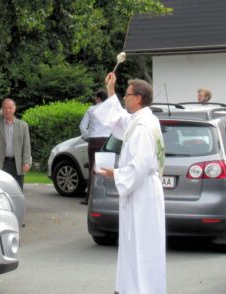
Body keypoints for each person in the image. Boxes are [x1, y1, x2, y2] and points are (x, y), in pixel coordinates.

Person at [93, 72, 166, 294]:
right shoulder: (141, 120)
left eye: (127, 94)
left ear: (139, 98)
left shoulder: (144, 128)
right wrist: (111, 90)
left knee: (141, 245)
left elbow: (140, 165)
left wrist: (115, 174)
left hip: (142, 193)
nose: (125, 98)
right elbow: (120, 119)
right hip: (140, 192)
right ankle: (129, 287)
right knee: (134, 244)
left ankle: (141, 289)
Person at [0, 98, 32, 189]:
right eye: (4, 108)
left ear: (14, 109)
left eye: (10, 108)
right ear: (2, 109)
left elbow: (26, 145)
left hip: (17, 164)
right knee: (1, 189)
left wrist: (27, 162)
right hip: (0, 164)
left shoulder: (23, 125)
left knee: (17, 190)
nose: (7, 110)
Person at [78, 89, 111, 205]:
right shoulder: (112, 110)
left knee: (93, 168)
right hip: (109, 142)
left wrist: (88, 137)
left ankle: (90, 198)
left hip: (95, 141)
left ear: (98, 98)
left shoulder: (91, 110)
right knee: (108, 168)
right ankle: (108, 195)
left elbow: (82, 126)